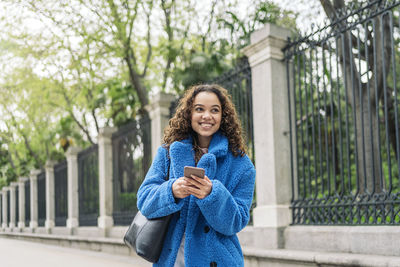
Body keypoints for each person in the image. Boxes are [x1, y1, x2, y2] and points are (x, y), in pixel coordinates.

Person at [137, 84, 256, 267]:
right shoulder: (167, 153)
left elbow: (237, 221)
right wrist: (171, 190)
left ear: (223, 116)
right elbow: (144, 201)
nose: (207, 116)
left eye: (214, 110)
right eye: (199, 109)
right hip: (172, 259)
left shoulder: (241, 164)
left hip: (219, 260)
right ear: (189, 114)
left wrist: (212, 195)